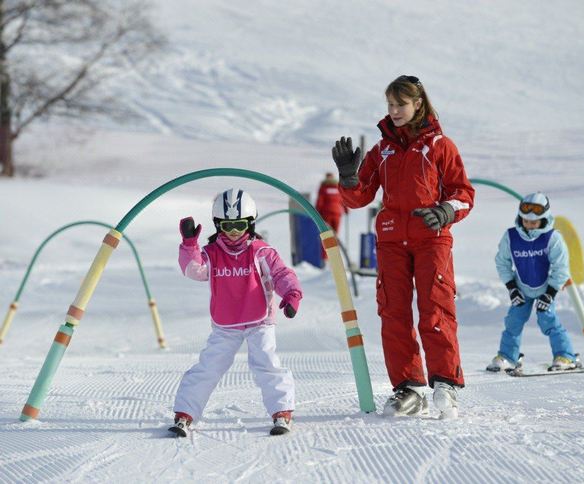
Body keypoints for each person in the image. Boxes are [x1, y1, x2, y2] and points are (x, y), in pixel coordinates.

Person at [331, 75, 475, 419]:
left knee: (435, 308)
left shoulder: (441, 146)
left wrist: (444, 211)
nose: (394, 111)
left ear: (418, 104)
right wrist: (349, 177)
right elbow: (358, 197)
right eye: (390, 105)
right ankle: (409, 387)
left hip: (431, 238)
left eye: (400, 105)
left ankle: (445, 384)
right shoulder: (382, 151)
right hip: (393, 239)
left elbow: (464, 195)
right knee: (393, 312)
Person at [170, 188, 303, 437]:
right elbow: (193, 270)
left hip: (259, 321)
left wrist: (292, 294)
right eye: (227, 226)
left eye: (239, 225)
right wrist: (190, 245)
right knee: (209, 366)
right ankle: (185, 414)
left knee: (266, 363)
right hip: (226, 324)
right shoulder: (211, 253)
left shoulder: (261, 251)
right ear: (218, 225)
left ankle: (281, 412)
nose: (233, 232)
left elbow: (281, 274)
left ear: (250, 224)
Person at [486, 192, 577, 373]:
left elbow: (561, 268)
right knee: (513, 322)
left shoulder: (553, 238)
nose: (528, 225)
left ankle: (565, 356)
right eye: (525, 221)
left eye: (534, 222)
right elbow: (502, 262)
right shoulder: (511, 236)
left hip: (545, 289)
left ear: (544, 219)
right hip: (521, 289)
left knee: (548, 321)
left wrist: (550, 293)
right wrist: (512, 288)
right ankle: (507, 357)